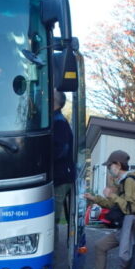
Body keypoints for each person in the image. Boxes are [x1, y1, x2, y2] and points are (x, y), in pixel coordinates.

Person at [79, 151, 135, 269]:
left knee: (129, 263)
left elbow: (130, 208)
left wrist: (112, 195)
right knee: (100, 246)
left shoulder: (130, 181)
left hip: (131, 226)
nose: (109, 169)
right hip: (124, 226)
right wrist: (94, 198)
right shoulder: (122, 181)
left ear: (118, 165)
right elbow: (115, 206)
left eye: (110, 165)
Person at [51, 91, 75, 224]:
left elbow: (61, 150)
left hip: (60, 177)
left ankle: (53, 245)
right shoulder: (58, 120)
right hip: (62, 175)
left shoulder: (59, 122)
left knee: (52, 219)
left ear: (53, 101)